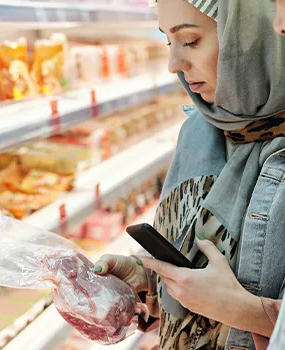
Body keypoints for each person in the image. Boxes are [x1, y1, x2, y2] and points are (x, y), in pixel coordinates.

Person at [94, 1, 285, 349]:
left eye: (191, 41)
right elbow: (201, 264)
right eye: (169, 42)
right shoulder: (200, 130)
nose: (173, 66)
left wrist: (249, 312)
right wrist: (151, 281)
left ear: (253, 35)